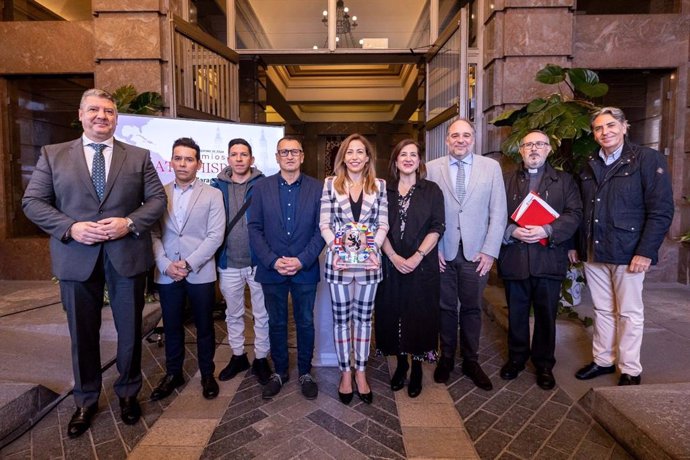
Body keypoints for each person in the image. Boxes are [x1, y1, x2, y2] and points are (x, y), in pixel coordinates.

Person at [22, 88, 166, 438]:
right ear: (81, 114)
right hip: (76, 257)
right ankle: (86, 400)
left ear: (116, 118)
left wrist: (128, 223)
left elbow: (157, 200)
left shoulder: (138, 156)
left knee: (131, 331)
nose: (102, 116)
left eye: (109, 111)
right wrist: (70, 227)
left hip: (125, 256)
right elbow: (34, 202)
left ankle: (128, 394)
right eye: (95, 110)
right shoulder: (54, 155)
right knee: (82, 334)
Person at [572, 107, 673, 386]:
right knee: (602, 310)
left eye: (611, 126)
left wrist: (645, 251)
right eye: (599, 128)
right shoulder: (588, 162)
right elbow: (579, 209)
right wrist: (576, 245)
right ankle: (603, 360)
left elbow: (661, 210)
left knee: (629, 312)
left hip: (629, 252)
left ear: (624, 126)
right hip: (593, 250)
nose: (605, 132)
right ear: (593, 133)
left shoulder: (647, 159)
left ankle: (629, 368)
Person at [497, 130, 582, 390]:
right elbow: (493, 213)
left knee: (546, 315)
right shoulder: (506, 179)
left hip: (548, 258)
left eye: (540, 144)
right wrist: (511, 231)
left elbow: (575, 212)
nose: (534, 149)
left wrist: (547, 230)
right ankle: (517, 358)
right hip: (515, 256)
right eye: (528, 145)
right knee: (518, 313)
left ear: (548, 149)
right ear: (520, 150)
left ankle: (544, 364)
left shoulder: (565, 181)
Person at [426, 118, 507, 391]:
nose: (460, 140)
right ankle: (446, 357)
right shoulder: (431, 168)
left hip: (477, 254)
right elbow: (427, 214)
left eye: (466, 135)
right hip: (443, 252)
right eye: (455, 136)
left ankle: (471, 360)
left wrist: (490, 251)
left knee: (472, 309)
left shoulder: (491, 168)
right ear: (447, 140)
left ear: (473, 139)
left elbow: (498, 213)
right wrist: (432, 248)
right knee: (445, 308)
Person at [247, 136, 325, 400]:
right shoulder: (260, 188)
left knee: (305, 322)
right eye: (284, 152)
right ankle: (279, 371)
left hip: (305, 269)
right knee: (276, 322)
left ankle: (305, 372)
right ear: (277, 157)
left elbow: (321, 230)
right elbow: (254, 228)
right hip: (272, 269)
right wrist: (272, 260)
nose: (289, 156)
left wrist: (302, 259)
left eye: (294, 152)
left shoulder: (318, 189)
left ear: (302, 156)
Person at [150, 137, 225, 401]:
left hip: (200, 272)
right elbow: (153, 233)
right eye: (178, 158)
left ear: (198, 163)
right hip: (167, 272)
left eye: (189, 159)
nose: (183, 164)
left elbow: (215, 236)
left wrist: (189, 263)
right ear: (171, 162)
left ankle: (207, 373)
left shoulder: (213, 194)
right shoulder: (159, 193)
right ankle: (173, 373)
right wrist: (165, 264)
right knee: (171, 326)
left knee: (205, 326)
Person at [320, 133, 389, 405]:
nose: (355, 157)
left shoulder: (379, 186)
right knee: (341, 320)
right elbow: (325, 224)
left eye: (360, 152)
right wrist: (338, 249)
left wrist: (373, 249)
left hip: (369, 265)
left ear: (368, 157)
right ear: (343, 157)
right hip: (339, 264)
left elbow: (382, 224)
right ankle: (345, 373)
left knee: (363, 320)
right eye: (350, 152)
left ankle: (361, 372)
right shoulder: (330, 184)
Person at [375, 139, 445, 398]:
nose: (408, 159)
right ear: (395, 161)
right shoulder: (383, 190)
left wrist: (417, 256)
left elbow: (438, 227)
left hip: (422, 265)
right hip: (390, 264)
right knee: (393, 312)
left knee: (419, 313)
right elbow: (375, 226)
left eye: (413, 155)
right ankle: (401, 363)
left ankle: (416, 368)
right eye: (402, 154)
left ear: (419, 161)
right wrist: (392, 256)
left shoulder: (432, 190)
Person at [211, 138, 271, 385]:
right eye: (234, 154)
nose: (239, 158)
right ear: (228, 159)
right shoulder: (216, 187)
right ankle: (238, 356)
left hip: (258, 262)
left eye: (243, 154)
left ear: (252, 159)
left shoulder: (265, 185)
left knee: (262, 314)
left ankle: (261, 358)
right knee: (233, 313)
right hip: (229, 261)